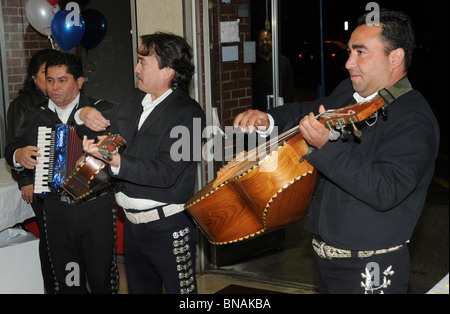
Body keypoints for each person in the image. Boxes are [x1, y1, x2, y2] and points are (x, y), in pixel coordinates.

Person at [234, 10, 440, 294]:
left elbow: (385, 189)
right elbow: (304, 112)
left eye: (360, 52)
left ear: (395, 58)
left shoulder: (413, 118)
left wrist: (326, 147)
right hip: (326, 263)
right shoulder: (348, 92)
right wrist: (267, 119)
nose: (348, 63)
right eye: (349, 52)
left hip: (372, 269)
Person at [80, 32, 206, 294]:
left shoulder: (190, 115)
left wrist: (116, 161)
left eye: (143, 63)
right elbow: (99, 124)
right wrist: (85, 114)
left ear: (167, 71)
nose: (136, 69)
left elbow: (167, 173)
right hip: (132, 227)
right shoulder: (132, 100)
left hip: (168, 228)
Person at [5, 51, 118, 294]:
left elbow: (116, 137)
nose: (54, 87)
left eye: (62, 80)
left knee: (102, 280)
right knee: (69, 280)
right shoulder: (37, 115)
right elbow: (12, 146)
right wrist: (18, 154)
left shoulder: (100, 110)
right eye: (50, 80)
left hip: (95, 209)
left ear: (79, 82)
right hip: (56, 211)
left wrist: (82, 113)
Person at [6, 48, 59, 293]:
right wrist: (25, 178)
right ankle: (51, 285)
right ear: (33, 77)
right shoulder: (22, 105)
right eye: (44, 74)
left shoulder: (58, 100)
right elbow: (16, 145)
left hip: (59, 179)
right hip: (37, 180)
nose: (50, 79)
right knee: (50, 238)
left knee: (61, 238)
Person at [252, 29, 294, 111]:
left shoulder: (283, 62)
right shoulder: (252, 66)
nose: (264, 43)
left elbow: (289, 88)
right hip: (259, 111)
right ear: (256, 44)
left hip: (281, 109)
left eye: (267, 39)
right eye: (260, 41)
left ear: (272, 42)